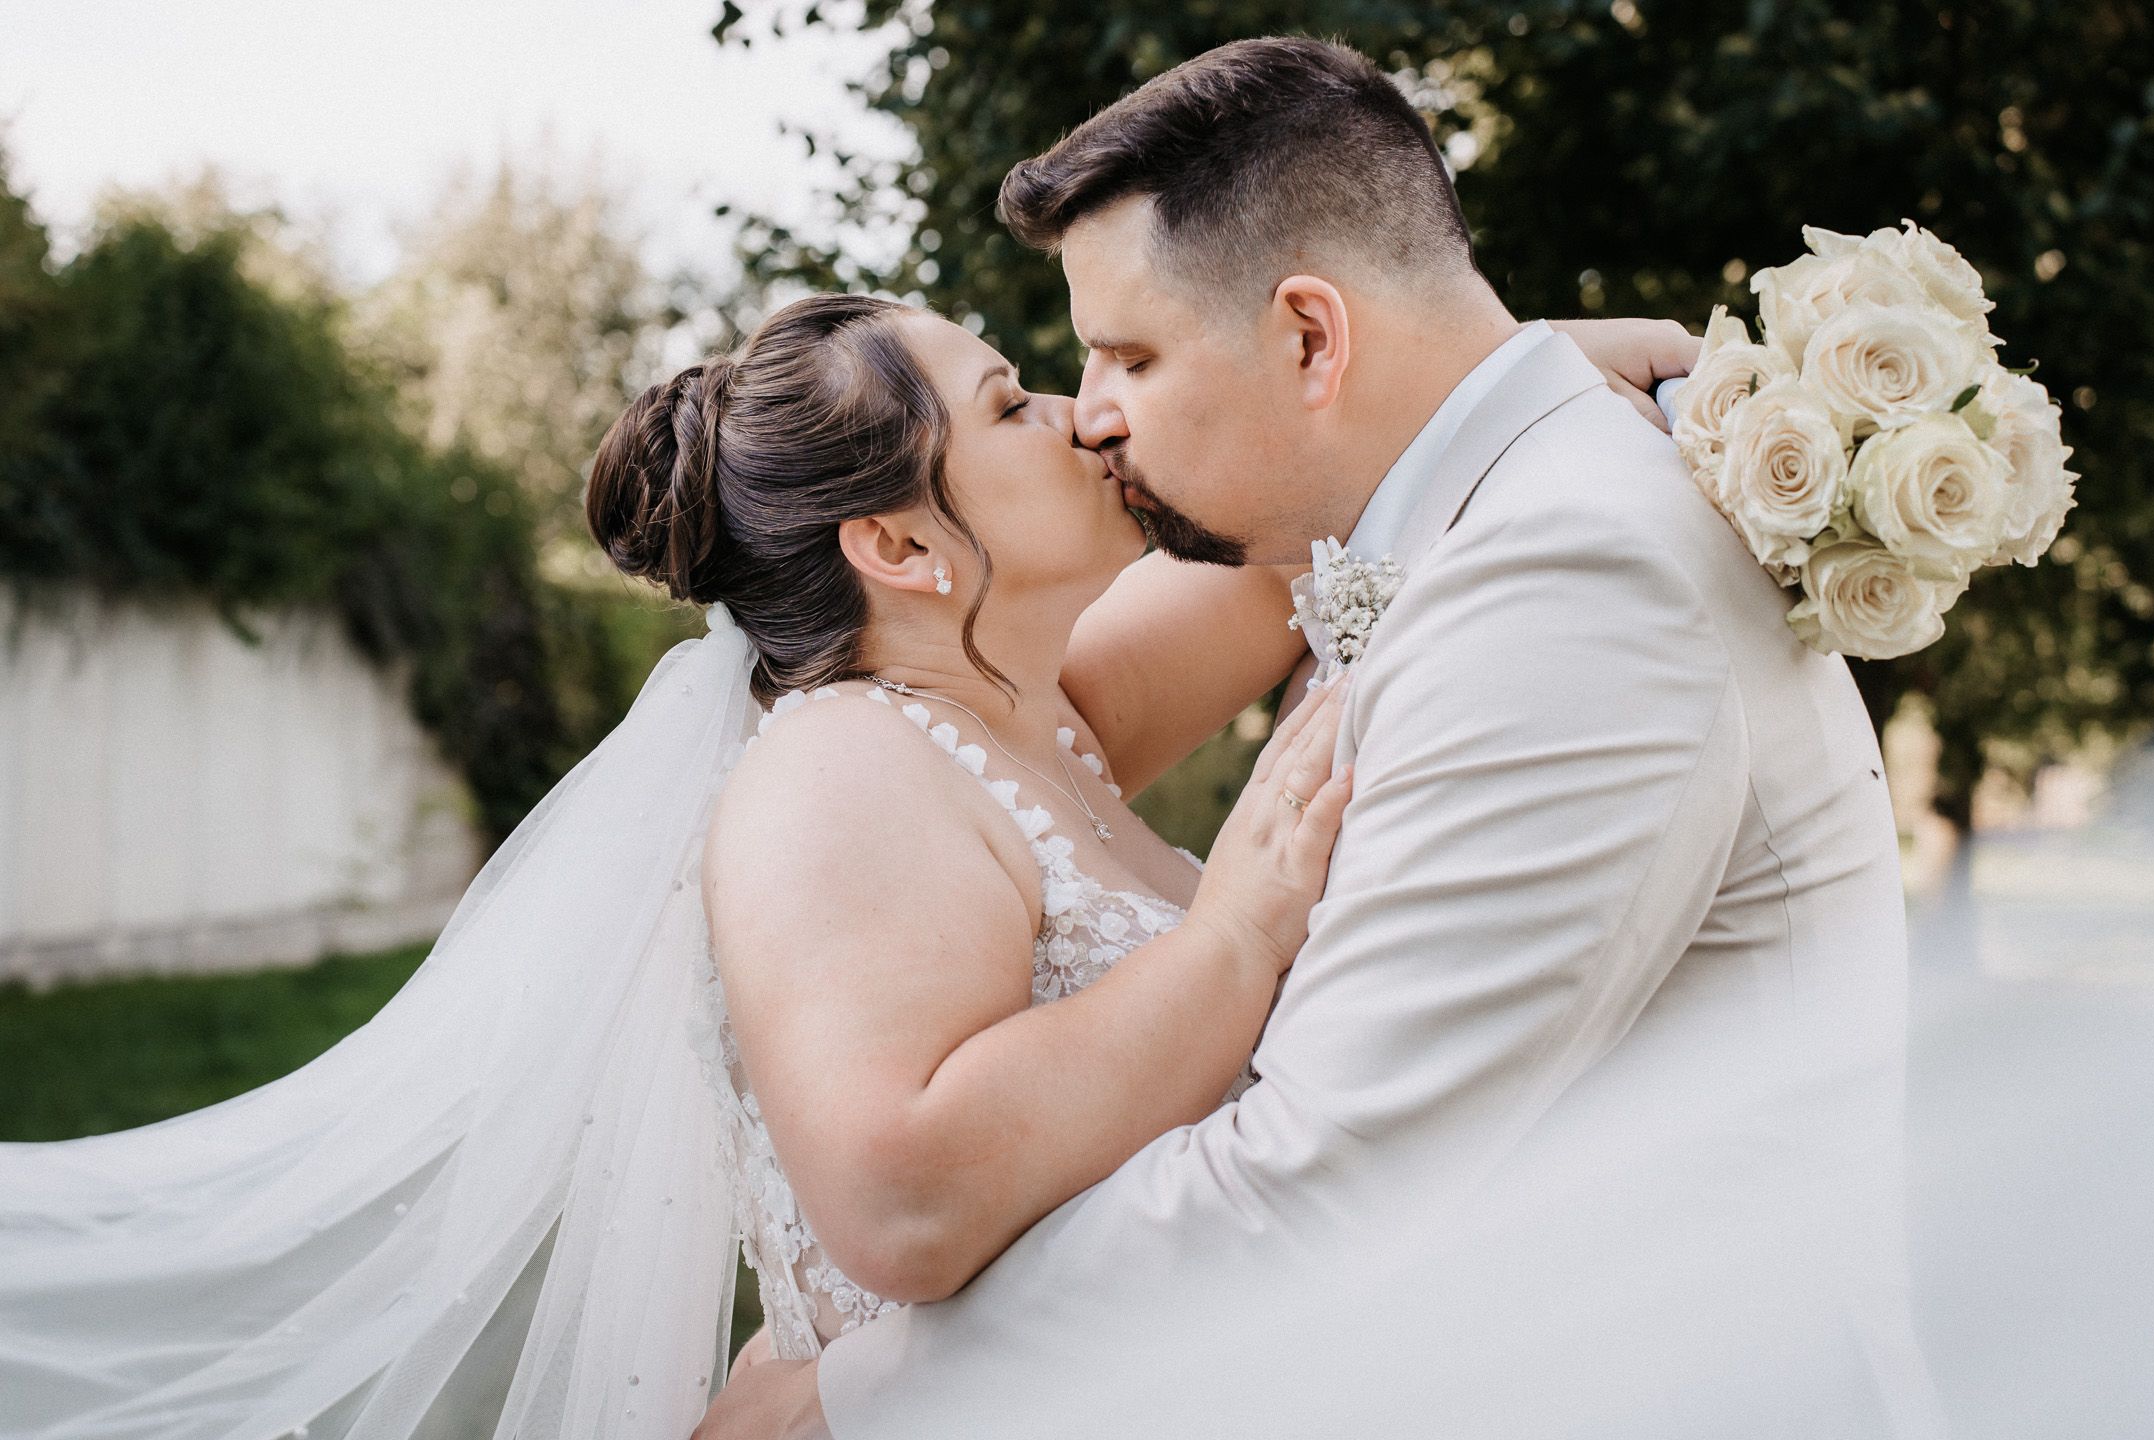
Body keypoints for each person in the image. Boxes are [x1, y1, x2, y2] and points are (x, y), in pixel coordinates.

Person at [0, 133, 1689, 1440]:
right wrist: (1235, 936)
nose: (1086, 420)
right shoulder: (836, 775)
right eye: (1011, 406)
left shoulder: (1040, 711)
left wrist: (1547, 366)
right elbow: (902, 1192)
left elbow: (1328, 506)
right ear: (899, 546)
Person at [700, 36, 1943, 1440]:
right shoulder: (1497, 526)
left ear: (1308, 337)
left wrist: (841, 1410)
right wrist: (1516, 366)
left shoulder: (1567, 577)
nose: (1090, 415)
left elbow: (1314, 1184)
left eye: (1127, 355)